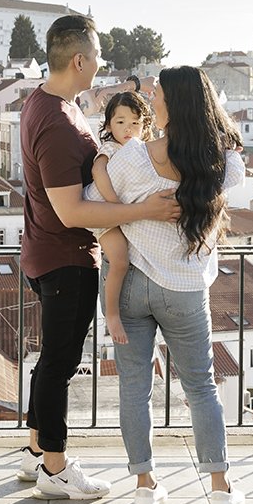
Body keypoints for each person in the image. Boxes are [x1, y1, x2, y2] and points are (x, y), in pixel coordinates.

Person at [14, 14, 181, 501]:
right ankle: (56, 469)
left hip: (43, 251)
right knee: (59, 364)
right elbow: (70, 210)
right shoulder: (59, 123)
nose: (103, 63)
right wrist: (143, 209)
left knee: (51, 361)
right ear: (80, 60)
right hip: (64, 257)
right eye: (99, 55)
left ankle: (35, 455)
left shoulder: (41, 103)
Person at [89, 66, 247, 504]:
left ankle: (144, 485)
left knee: (134, 389)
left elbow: (92, 200)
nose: (150, 100)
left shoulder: (134, 158)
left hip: (131, 282)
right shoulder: (218, 165)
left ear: (171, 105)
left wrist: (107, 173)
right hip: (183, 288)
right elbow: (236, 156)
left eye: (157, 94)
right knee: (201, 387)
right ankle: (219, 489)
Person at [89, 89, 156, 345]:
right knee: (119, 262)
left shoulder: (142, 151)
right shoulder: (111, 147)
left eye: (135, 123)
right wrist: (115, 207)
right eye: (120, 122)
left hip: (118, 214)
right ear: (108, 125)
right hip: (103, 214)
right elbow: (98, 171)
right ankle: (113, 315)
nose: (128, 129)